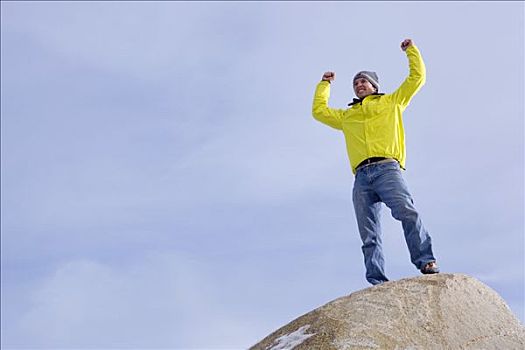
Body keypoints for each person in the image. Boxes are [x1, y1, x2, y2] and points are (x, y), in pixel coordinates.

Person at [312, 39, 439, 285]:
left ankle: (426, 260)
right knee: (369, 234)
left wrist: (410, 51)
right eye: (356, 82)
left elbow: (417, 78)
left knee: (407, 212)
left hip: (387, 169)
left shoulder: (392, 102)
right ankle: (376, 280)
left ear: (374, 85)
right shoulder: (347, 115)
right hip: (361, 177)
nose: (359, 85)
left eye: (363, 81)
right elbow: (319, 111)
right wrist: (324, 84)